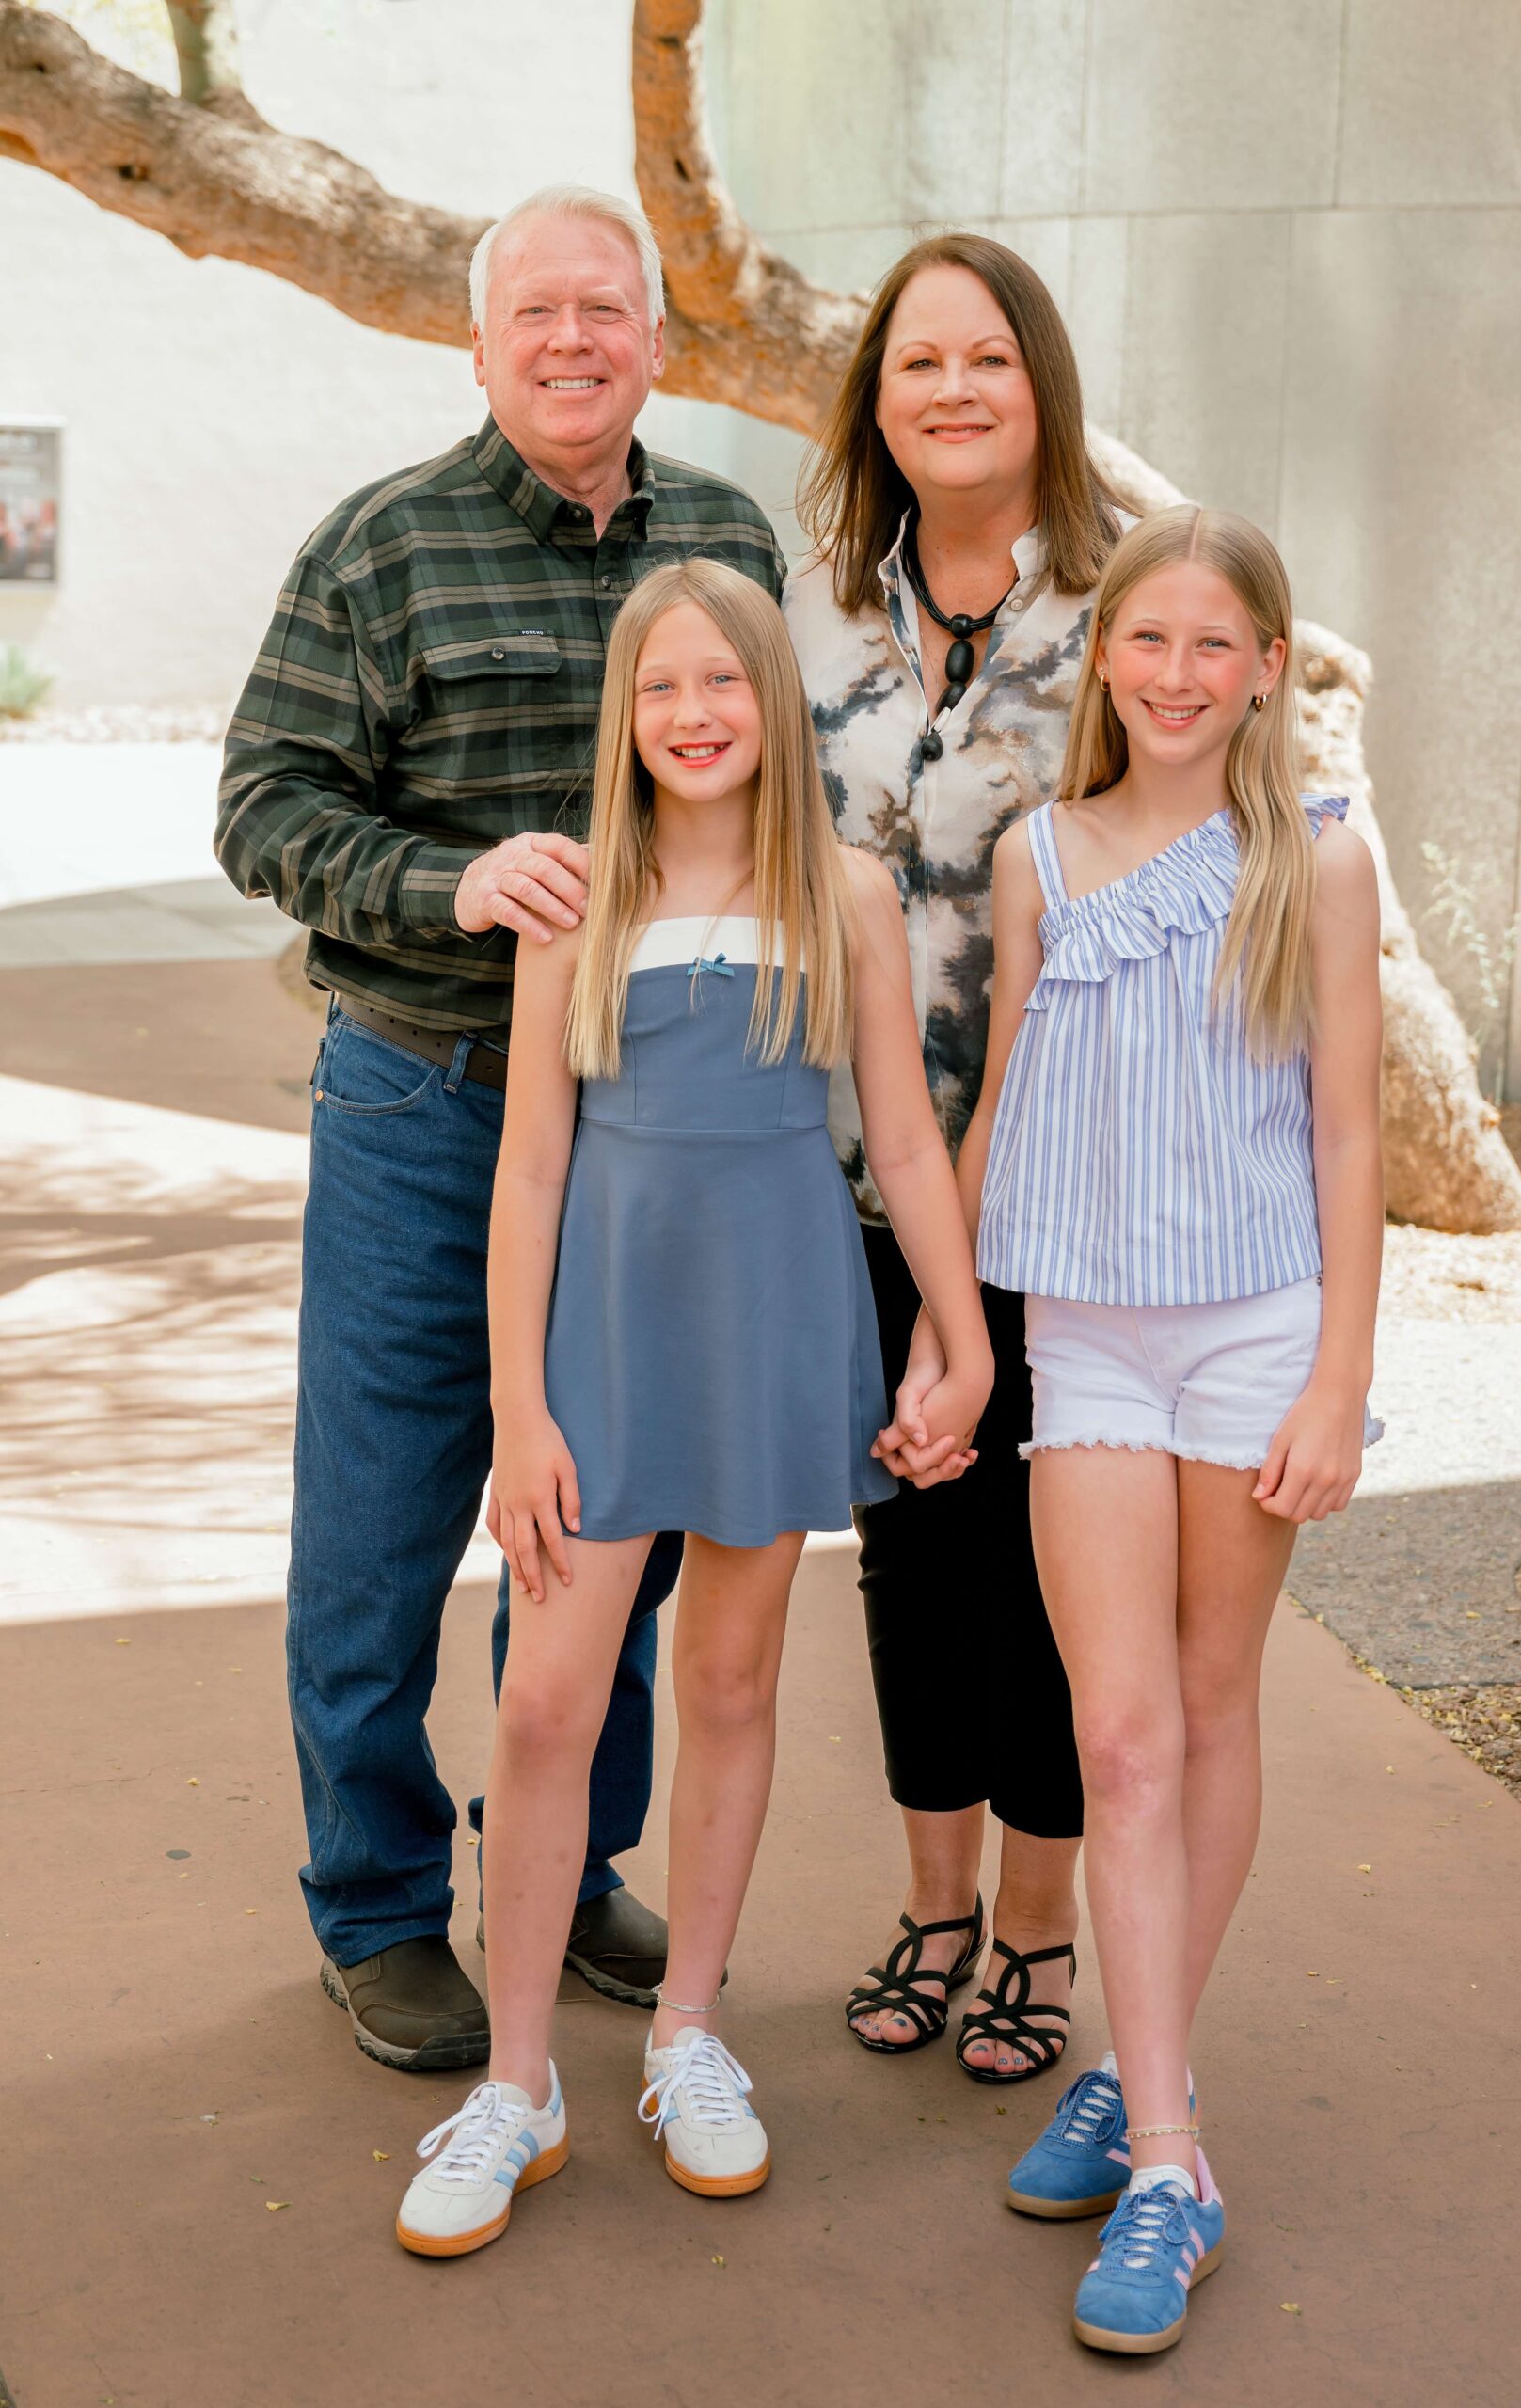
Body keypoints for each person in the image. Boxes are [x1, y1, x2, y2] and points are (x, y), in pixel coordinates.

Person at [215, 186, 787, 2070]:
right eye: (535, 312)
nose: (571, 342)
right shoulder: (381, 548)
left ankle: (569, 1858)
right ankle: (375, 1906)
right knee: (382, 1527)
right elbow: (265, 810)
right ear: (479, 344)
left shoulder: (722, 538)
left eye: (604, 312)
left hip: (647, 1134)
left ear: (652, 338)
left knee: (596, 1514)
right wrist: (446, 887)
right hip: (428, 1100)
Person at [392, 559, 991, 2256]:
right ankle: (517, 2085)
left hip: (776, 1333)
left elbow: (907, 1135)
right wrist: (519, 1403)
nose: (694, 714)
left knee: (730, 1680)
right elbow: (527, 1175)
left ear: (772, 702)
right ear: (625, 715)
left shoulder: (848, 898)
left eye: (723, 682)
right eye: (660, 688)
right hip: (604, 1350)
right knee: (544, 1706)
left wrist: (961, 1336)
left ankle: (689, 2034)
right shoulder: (577, 903)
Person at [974, 506, 1384, 2354]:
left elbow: (1350, 1142)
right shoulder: (1034, 855)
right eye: (1146, 639)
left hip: (1250, 1334)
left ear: (1267, 668)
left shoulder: (1314, 858)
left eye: (1214, 644)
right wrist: (938, 1339)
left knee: (1204, 1714)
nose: (1174, 673)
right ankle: (1158, 2114)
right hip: (1087, 1344)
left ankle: (1156, 2139)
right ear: (1101, 658)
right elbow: (997, 1116)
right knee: (1115, 1731)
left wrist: (1334, 1382)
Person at [784, 233, 1122, 2081]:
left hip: (1051, 1180)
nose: (950, 389)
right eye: (916, 362)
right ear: (876, 402)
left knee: (1038, 1554)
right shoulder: (815, 603)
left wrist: (974, 1218)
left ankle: (1035, 1929)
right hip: (848, 1166)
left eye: (985, 357)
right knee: (910, 1539)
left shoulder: (1111, 608)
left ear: (1036, 385)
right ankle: (929, 1905)